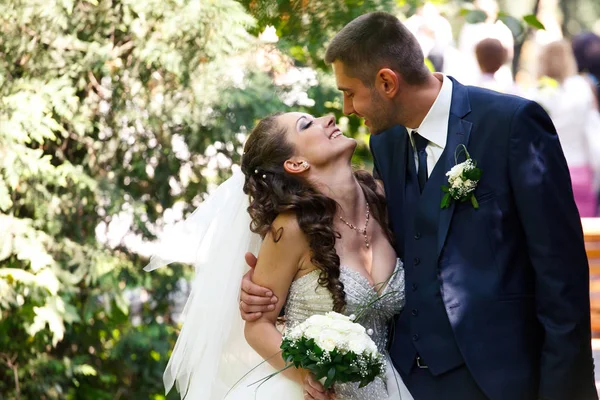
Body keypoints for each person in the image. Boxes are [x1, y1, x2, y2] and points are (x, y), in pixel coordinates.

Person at [240, 12, 597, 400]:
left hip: (501, 381)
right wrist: (268, 291)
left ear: (387, 83)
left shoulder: (511, 124)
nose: (346, 109)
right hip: (405, 381)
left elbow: (562, 276)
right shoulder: (387, 143)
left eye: (350, 92)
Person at [146, 112, 415, 399]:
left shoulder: (383, 200)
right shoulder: (292, 229)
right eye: (307, 124)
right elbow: (257, 326)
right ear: (296, 163)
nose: (328, 118)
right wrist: (305, 375)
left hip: (388, 385)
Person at [534, 40, 600, 217]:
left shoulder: (536, 93)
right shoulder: (581, 88)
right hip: (580, 170)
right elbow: (592, 133)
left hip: (546, 172)